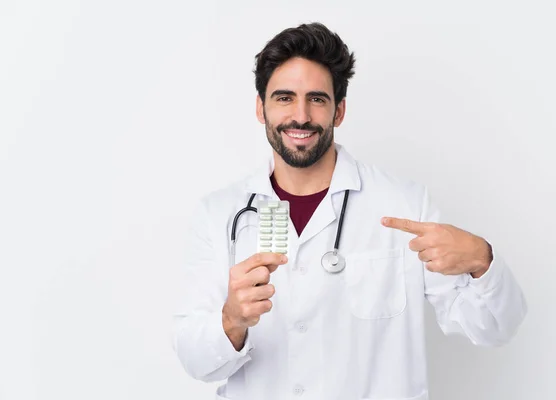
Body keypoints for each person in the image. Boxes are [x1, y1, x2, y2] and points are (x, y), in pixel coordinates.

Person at [172, 22, 527, 400]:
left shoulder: (403, 205)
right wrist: (231, 321)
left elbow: (492, 328)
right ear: (261, 108)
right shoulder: (219, 215)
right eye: (284, 97)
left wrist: (481, 261)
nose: (301, 116)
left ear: (339, 111)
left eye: (318, 99)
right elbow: (196, 362)